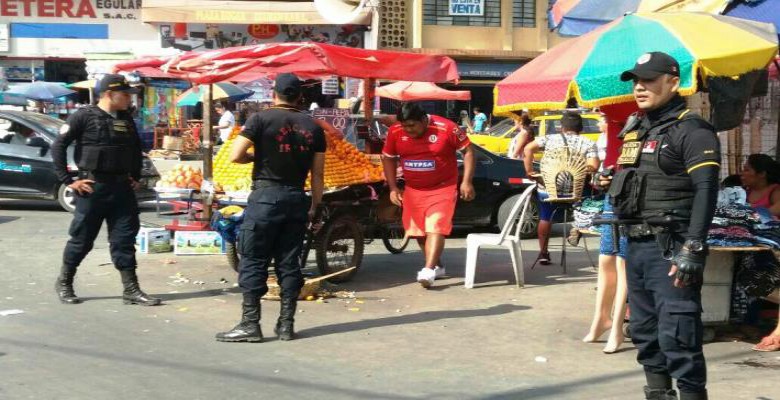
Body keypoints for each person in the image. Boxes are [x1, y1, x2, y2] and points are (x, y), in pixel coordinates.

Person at [604, 52, 721, 400]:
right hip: (636, 246)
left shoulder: (692, 130)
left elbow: (706, 189)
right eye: (637, 81)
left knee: (678, 335)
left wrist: (694, 247)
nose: (640, 87)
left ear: (673, 82)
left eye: (650, 80)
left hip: (672, 248)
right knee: (644, 331)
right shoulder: (636, 128)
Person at [216, 73, 325, 343]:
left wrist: (259, 156)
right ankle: (286, 324)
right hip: (296, 198)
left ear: (274, 93)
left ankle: (250, 324)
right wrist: (315, 206)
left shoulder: (260, 119)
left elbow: (235, 154)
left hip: (265, 197)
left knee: (253, 259)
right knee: (289, 263)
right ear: (299, 96)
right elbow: (319, 175)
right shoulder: (314, 127)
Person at [50, 74, 160, 307]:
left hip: (121, 189)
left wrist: (136, 177)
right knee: (82, 239)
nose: (130, 99)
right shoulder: (83, 116)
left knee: (124, 239)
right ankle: (65, 281)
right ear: (110, 94)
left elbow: (135, 150)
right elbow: (59, 145)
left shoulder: (126, 119)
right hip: (93, 188)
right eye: (125, 94)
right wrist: (68, 180)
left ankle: (131, 289)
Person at [382, 102, 475, 288]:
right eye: (405, 126)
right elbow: (388, 158)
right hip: (413, 190)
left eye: (412, 125)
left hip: (443, 189)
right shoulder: (395, 131)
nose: (408, 130)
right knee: (418, 232)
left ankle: (428, 270)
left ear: (424, 120)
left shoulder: (447, 128)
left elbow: (468, 151)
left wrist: (466, 181)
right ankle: (437, 266)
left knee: (436, 226)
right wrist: (393, 187)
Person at [523, 111, 599, 265]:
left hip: (549, 190)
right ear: (581, 128)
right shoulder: (588, 143)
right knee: (594, 198)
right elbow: (594, 166)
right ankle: (578, 225)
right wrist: (577, 169)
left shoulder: (549, 139)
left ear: (561, 128)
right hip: (576, 192)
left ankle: (543, 253)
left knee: (545, 217)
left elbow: (528, 149)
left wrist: (530, 171)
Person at [583, 114, 629, 354]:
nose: (600, 117)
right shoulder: (613, 116)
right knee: (606, 258)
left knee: (623, 261)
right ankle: (601, 318)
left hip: (635, 191)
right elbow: (609, 161)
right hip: (613, 190)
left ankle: (617, 326)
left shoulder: (647, 115)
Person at [740, 154, 780, 352]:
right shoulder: (742, 193)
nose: (743, 173)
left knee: (760, 283)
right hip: (750, 245)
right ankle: (749, 323)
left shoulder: (775, 191)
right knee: (748, 281)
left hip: (772, 246)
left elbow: (776, 210)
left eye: (747, 169)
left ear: (762, 174)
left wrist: (751, 217)